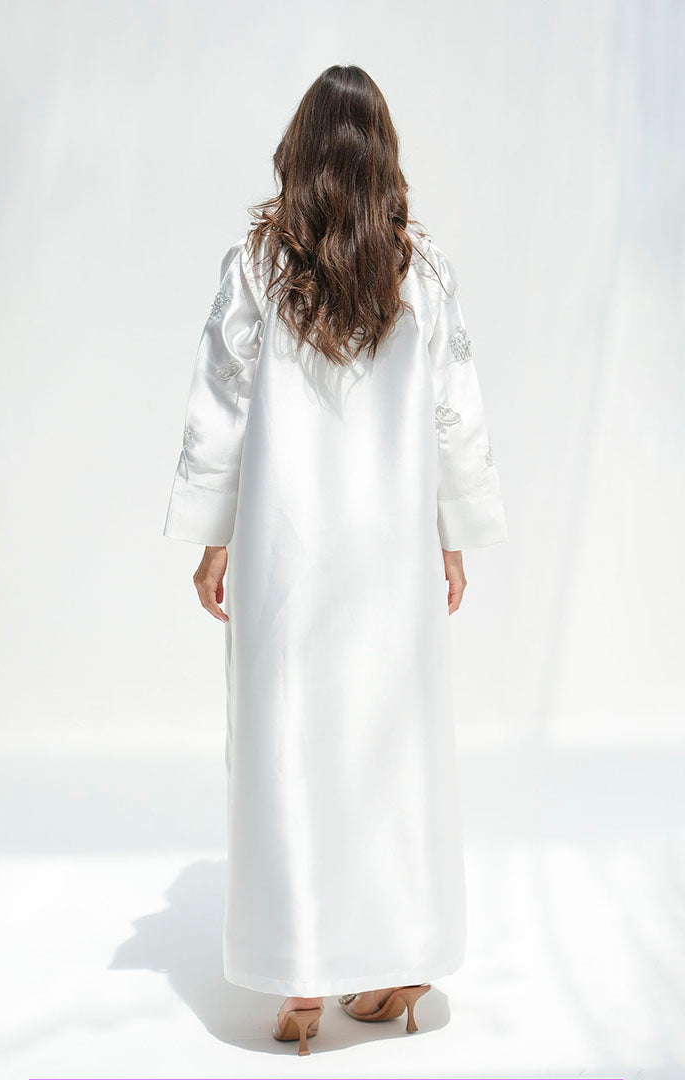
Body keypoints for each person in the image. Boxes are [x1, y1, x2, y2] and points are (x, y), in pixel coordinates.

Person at [163, 64, 508, 1056]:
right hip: (390, 555)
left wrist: (215, 535)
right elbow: (454, 414)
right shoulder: (419, 271)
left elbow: (222, 401)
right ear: (383, 157)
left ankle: (303, 982)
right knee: (393, 749)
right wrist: (451, 535)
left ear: (302, 152)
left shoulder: (258, 265)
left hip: (289, 553)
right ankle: (402, 963)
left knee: (288, 747)